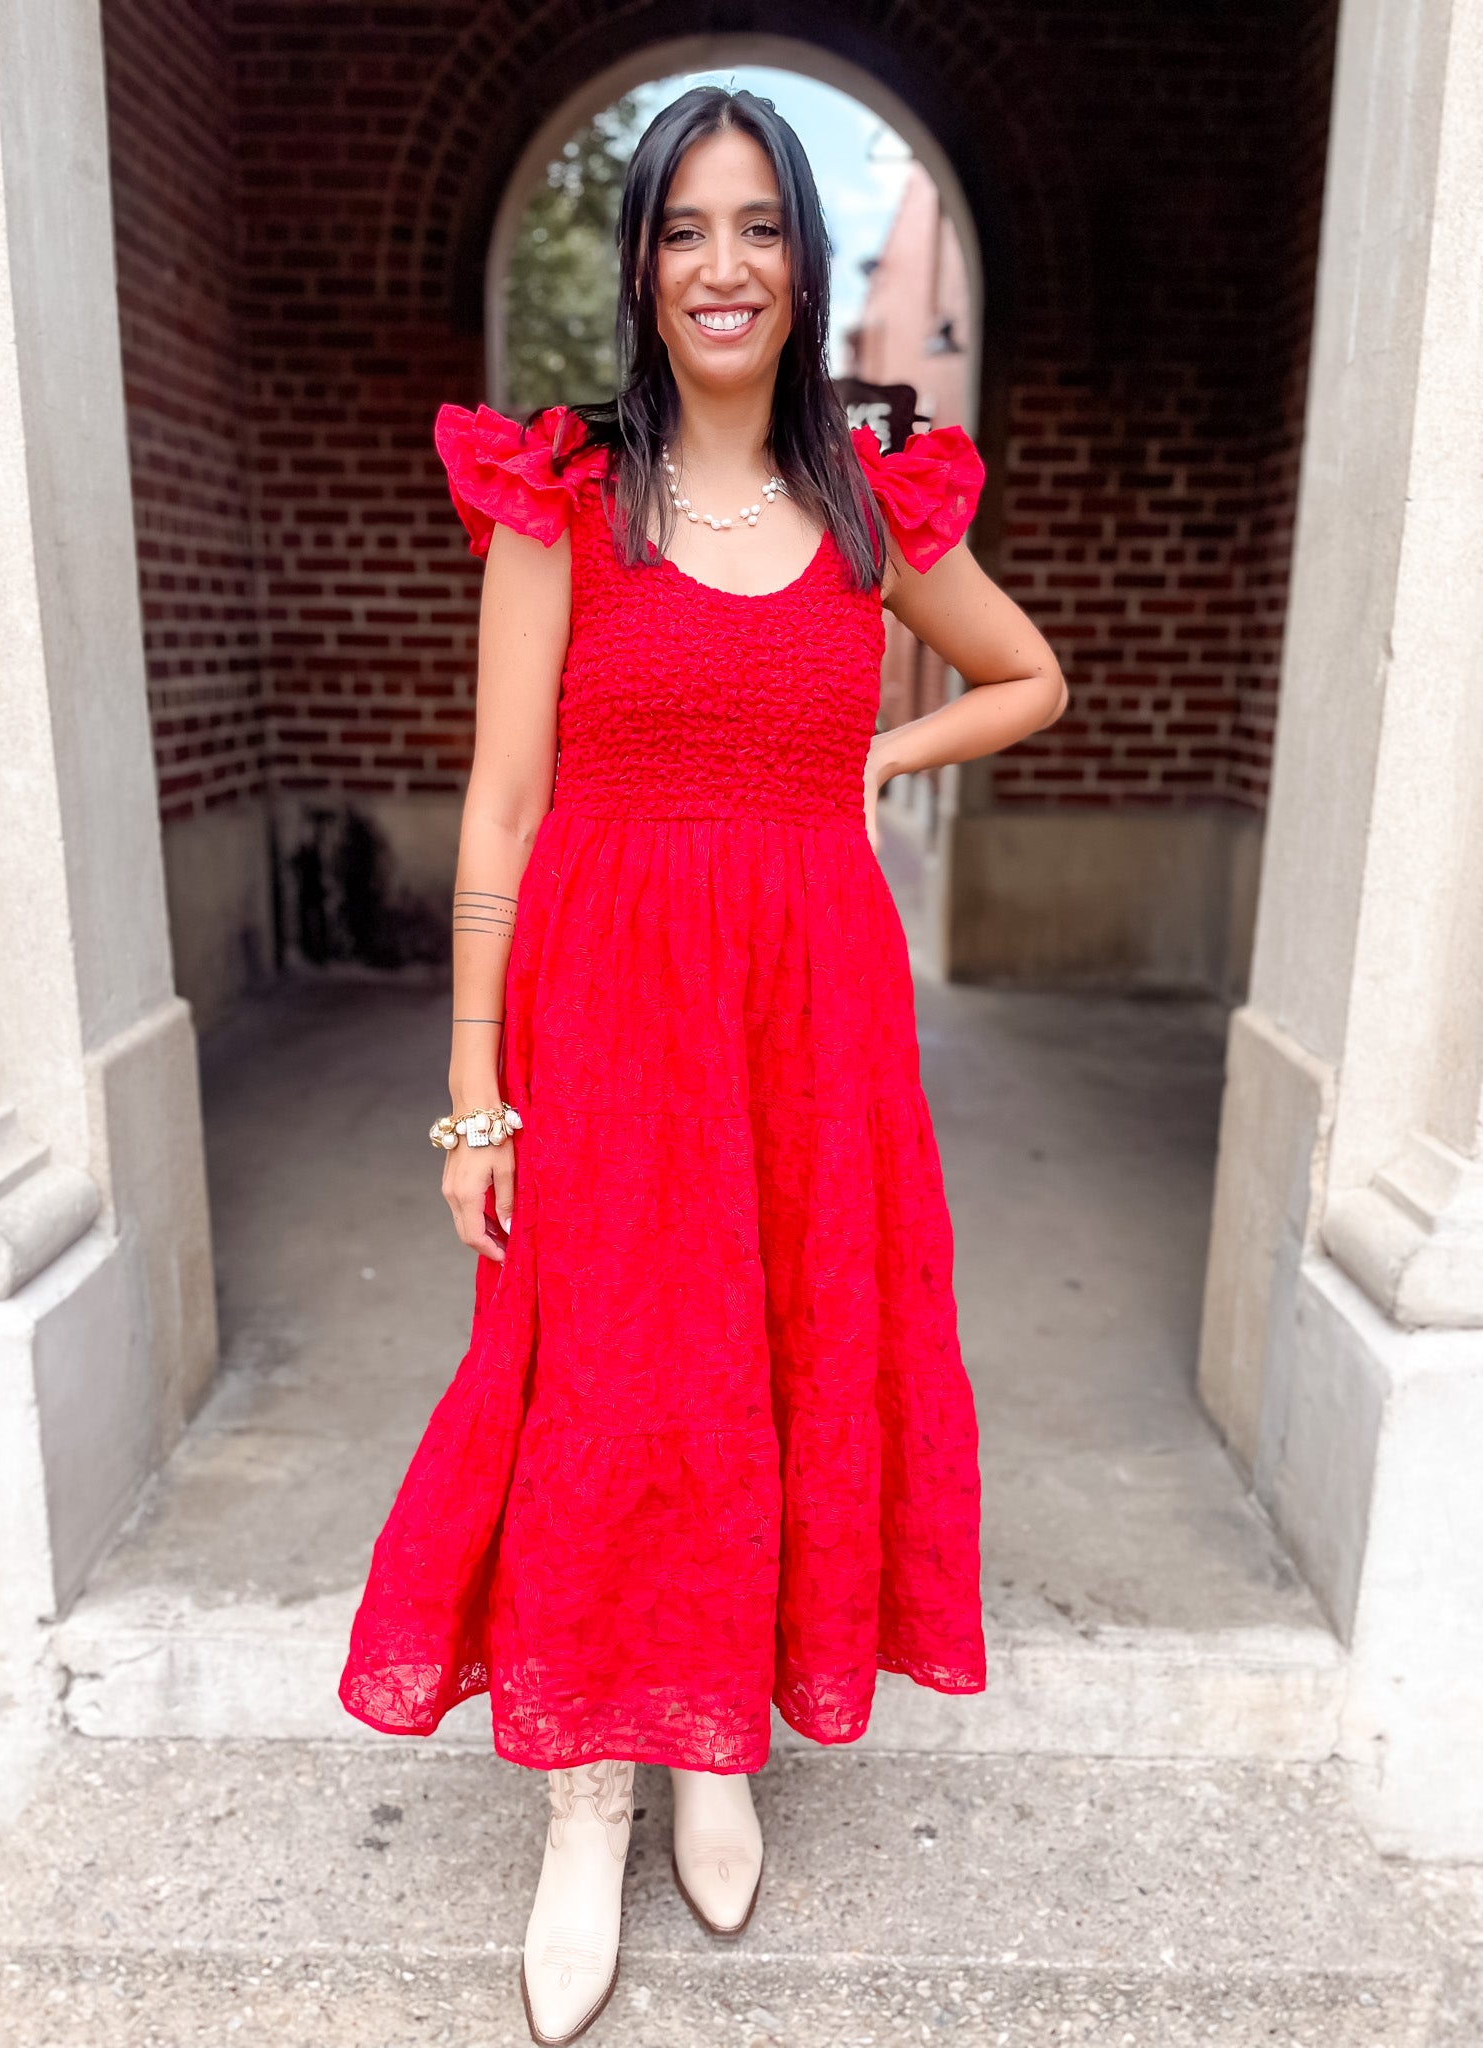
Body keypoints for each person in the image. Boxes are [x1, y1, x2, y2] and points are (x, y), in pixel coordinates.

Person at [339, 83, 1067, 2046]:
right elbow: (498, 806)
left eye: (759, 226)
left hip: (812, 1007)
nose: (723, 265)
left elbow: (1027, 678)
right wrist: (476, 1089)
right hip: (599, 998)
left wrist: (869, 761)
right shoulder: (560, 492)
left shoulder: (867, 504)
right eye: (684, 228)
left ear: (805, 263)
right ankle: (592, 1787)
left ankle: (715, 1731)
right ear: (643, 263)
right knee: (604, 1370)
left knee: (780, 1354)